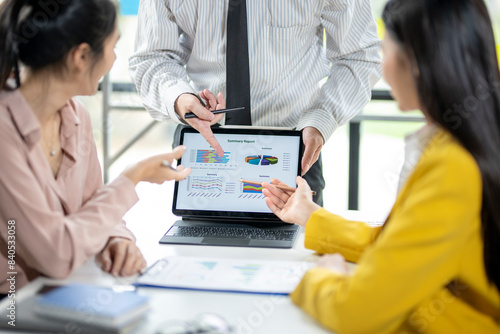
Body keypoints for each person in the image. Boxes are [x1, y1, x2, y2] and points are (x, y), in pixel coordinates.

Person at [262, 0, 500, 332]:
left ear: (415, 62)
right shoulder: (469, 142)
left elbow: (356, 311)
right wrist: (309, 214)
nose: (382, 67)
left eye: (384, 49)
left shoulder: (452, 167)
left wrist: (319, 278)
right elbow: (400, 245)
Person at [0, 0, 191, 294]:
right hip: (12, 304)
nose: (114, 59)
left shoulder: (76, 116)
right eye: (113, 46)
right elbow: (56, 254)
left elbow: (92, 205)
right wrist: (131, 178)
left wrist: (117, 238)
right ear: (81, 56)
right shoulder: (4, 133)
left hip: (65, 292)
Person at [129, 0, 382, 205]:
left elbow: (360, 55)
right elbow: (152, 57)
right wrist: (179, 97)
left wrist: (322, 118)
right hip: (204, 147)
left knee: (298, 262)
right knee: (198, 252)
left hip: (293, 149)